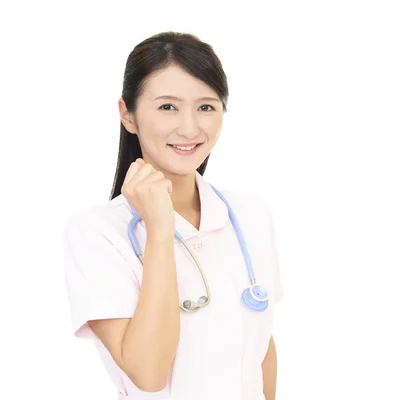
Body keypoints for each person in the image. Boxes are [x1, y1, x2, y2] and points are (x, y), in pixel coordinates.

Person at [63, 31, 284, 400]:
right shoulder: (96, 232)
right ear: (127, 115)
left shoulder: (250, 214)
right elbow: (148, 373)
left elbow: (262, 349)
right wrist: (160, 230)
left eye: (206, 106)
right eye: (167, 107)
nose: (190, 127)